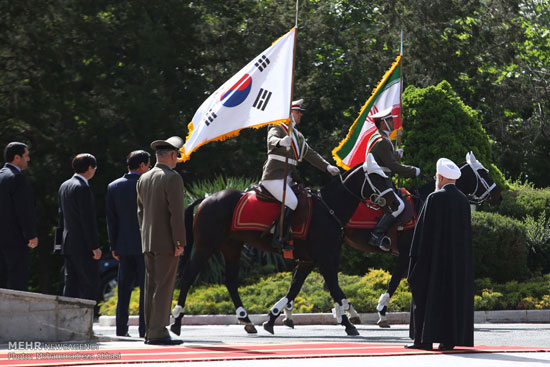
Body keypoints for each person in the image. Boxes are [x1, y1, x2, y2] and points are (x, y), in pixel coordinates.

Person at [406, 158, 474, 351]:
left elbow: (422, 235)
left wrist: (415, 261)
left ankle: (423, 340)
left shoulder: (434, 198)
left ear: (441, 177)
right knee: (451, 298)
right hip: (456, 265)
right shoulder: (463, 201)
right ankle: (448, 340)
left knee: (425, 294)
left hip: (433, 262)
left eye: (437, 176)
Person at [261, 99, 340, 251]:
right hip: (274, 177)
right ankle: (278, 239)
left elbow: (311, 154)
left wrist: (327, 166)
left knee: (308, 198)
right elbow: (271, 140)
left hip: (289, 178)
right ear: (289, 113)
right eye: (298, 112)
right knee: (291, 202)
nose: (300, 115)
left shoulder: (298, 136)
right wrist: (280, 142)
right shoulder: (278, 126)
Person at [137, 136, 185, 345]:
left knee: (151, 287)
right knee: (164, 287)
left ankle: (150, 330)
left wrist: (145, 236)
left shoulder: (143, 178)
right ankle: (157, 332)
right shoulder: (172, 177)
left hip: (147, 240)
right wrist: (179, 242)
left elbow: (140, 213)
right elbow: (176, 214)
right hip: (166, 242)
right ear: (173, 155)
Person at [106, 150, 151, 338]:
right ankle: (144, 328)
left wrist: (113, 245)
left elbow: (111, 219)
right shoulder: (147, 185)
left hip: (123, 245)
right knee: (145, 288)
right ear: (141, 166)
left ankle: (121, 328)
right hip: (145, 244)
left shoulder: (113, 186)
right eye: (148, 165)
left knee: (124, 289)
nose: (149, 168)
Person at [366, 107, 420, 252]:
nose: (393, 121)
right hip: (379, 180)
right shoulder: (382, 141)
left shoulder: (380, 137)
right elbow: (391, 165)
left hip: (381, 178)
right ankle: (377, 234)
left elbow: (384, 158)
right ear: (383, 123)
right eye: (390, 119)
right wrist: (413, 171)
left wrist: (395, 153)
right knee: (398, 206)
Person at [58, 153, 101, 301]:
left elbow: (61, 217)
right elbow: (87, 220)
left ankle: (67, 320)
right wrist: (94, 246)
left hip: (68, 243)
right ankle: (83, 320)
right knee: (89, 283)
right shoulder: (82, 187)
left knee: (70, 284)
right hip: (83, 245)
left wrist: (58, 243)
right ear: (90, 168)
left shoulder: (65, 185)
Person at [0, 142, 38, 290]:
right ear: (17, 157)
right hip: (15, 239)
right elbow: (24, 209)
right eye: (26, 155)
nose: (28, 159)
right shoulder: (17, 178)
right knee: (17, 280)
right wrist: (31, 234)